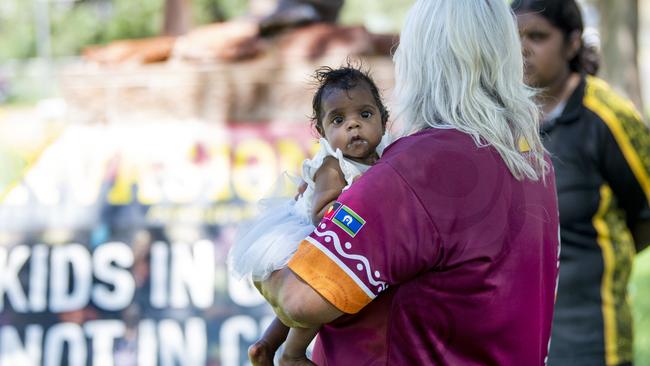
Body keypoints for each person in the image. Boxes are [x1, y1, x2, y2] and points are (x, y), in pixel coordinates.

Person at [253, 0, 560, 364]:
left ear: (418, 61)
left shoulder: (421, 166)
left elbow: (299, 298)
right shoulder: (532, 159)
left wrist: (265, 256)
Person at [512, 1, 650, 365]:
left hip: (591, 335)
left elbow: (646, 213)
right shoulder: (502, 119)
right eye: (514, 38)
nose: (523, 49)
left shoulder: (608, 115)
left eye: (537, 36)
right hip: (516, 332)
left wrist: (604, 256)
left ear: (573, 43)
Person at [227, 65, 390, 365]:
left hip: (324, 240)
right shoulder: (334, 164)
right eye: (339, 120)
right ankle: (291, 354)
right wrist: (357, 205)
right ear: (322, 132)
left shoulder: (386, 154)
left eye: (365, 115)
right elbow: (321, 214)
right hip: (309, 237)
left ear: (384, 117)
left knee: (303, 300)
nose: (353, 126)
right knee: (318, 293)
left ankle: (266, 344)